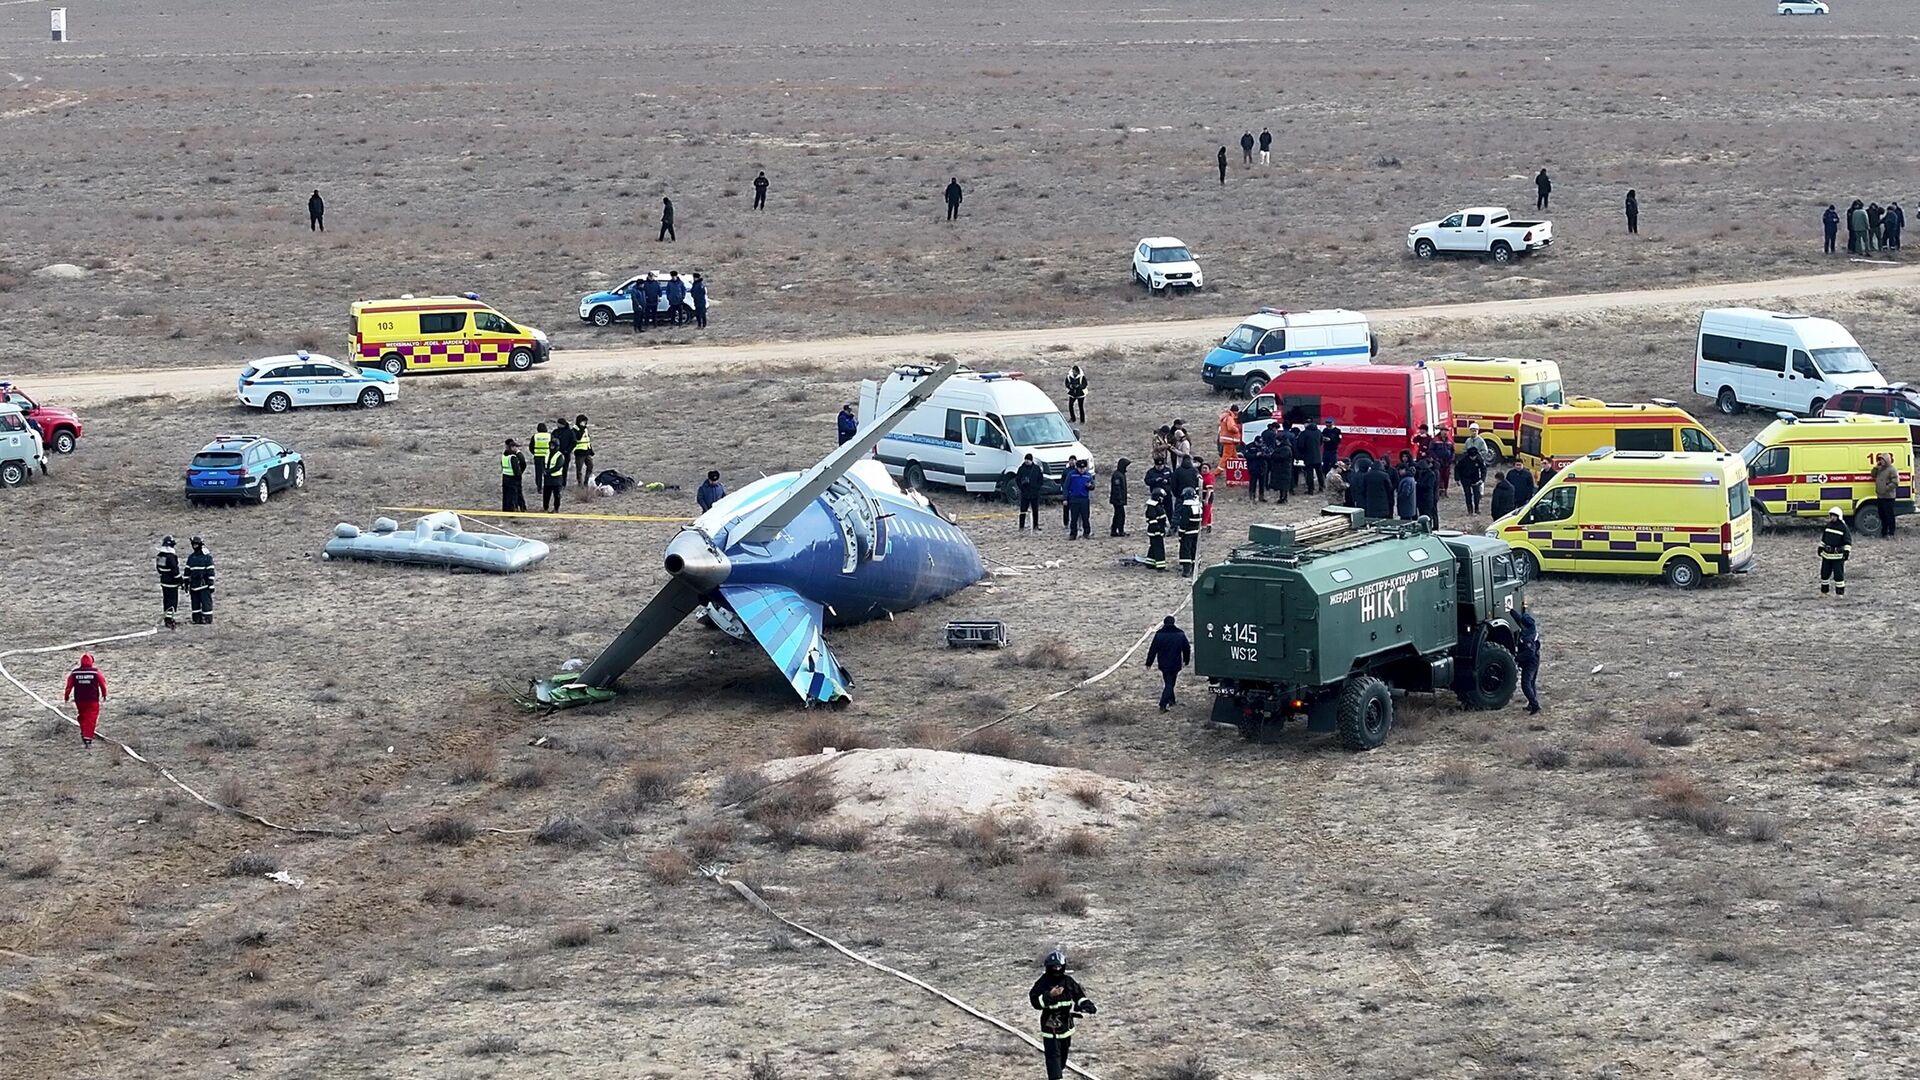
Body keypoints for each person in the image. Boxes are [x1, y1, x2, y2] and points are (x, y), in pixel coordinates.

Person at [1030, 950, 1097, 1080]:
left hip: (1066, 1026)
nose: (1057, 969)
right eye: (1054, 967)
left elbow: (1079, 995)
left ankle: (1058, 1073)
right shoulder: (1042, 983)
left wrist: (1086, 1004)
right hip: (1050, 1027)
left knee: (1063, 1056)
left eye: (1059, 967)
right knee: (1053, 1057)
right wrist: (1049, 995)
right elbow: (1035, 1001)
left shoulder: (1068, 981)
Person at [1145, 616, 1191, 712]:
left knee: (1168, 682)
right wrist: (1186, 660)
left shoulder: (1159, 635)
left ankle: (1171, 700)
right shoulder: (1180, 634)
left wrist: (1149, 662)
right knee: (1170, 683)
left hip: (1163, 663)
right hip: (1175, 663)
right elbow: (1186, 648)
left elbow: (1153, 649)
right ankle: (1163, 704)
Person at [64, 653, 108, 749]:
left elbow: (69, 686)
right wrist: (104, 694)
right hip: (92, 700)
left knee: (82, 716)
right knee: (91, 718)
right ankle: (87, 738)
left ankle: (84, 732)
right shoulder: (96, 672)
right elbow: (102, 684)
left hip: (79, 700)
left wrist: (66, 696)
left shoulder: (75, 673)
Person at [1819, 506, 1852, 595]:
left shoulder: (1843, 528)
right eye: (1831, 516)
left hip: (1838, 556)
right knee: (1824, 574)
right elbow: (1824, 538)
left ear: (1839, 516)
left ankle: (1840, 593)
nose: (1832, 517)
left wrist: (1846, 552)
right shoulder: (1828, 526)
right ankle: (1824, 592)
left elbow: (1847, 541)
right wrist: (1821, 547)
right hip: (1826, 555)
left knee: (1838, 575)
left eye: (1834, 516)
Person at [1515, 609, 1542, 715]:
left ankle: (1535, 705)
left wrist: (1517, 658)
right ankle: (1532, 704)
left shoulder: (1527, 638)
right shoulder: (1531, 629)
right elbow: (1518, 620)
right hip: (1536, 659)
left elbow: (1529, 652)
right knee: (1531, 682)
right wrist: (1511, 610)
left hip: (1530, 661)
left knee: (1525, 684)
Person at [155, 535, 184, 630]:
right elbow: (175, 571)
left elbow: (158, 569)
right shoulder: (171, 557)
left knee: (166, 601)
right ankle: (169, 620)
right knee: (172, 603)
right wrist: (180, 580)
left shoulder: (159, 556)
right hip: (172, 583)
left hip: (164, 581)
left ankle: (167, 618)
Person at [185, 536, 216, 625]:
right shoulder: (191, 557)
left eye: (196, 544)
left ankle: (207, 619)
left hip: (204, 585)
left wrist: (211, 584)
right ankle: (196, 619)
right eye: (193, 544)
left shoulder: (207, 557)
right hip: (194, 586)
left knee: (206, 603)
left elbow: (210, 571)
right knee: (195, 604)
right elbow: (187, 570)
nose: (194, 546)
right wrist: (186, 583)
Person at [1064, 459, 1094, 540]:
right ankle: (1073, 534)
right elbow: (1066, 487)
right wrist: (1065, 498)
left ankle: (1086, 532)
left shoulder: (1088, 475)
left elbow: (1093, 486)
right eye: (1080, 468)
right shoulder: (1071, 475)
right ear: (1077, 468)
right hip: (1074, 499)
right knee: (1074, 518)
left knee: (1085, 517)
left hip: (1084, 499)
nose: (1082, 470)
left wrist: (1090, 486)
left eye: (1083, 468)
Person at [1175, 486, 1202, 577]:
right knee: (1193, 549)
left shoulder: (1186, 507)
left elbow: (1184, 522)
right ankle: (1195, 566)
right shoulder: (1197, 505)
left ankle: (1187, 569)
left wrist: (1181, 533)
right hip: (1196, 531)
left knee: (1185, 550)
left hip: (1187, 532)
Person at [1871, 452, 1899, 537]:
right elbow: (1873, 475)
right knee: (1882, 515)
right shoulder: (1879, 469)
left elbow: (1895, 482)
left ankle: (1891, 532)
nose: (1881, 461)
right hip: (1880, 496)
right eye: (1880, 460)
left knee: (1889, 515)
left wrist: (1886, 488)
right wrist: (1876, 467)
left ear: (1886, 460)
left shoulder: (1892, 469)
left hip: (1888, 497)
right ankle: (1884, 532)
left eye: (1882, 459)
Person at [1016, 453, 1046, 531]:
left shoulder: (1036, 468)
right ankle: (1021, 526)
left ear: (1031, 460)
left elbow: (1040, 479)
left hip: (1034, 493)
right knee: (1023, 510)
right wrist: (1021, 487)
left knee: (1035, 510)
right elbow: (1017, 479)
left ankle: (1035, 525)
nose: (1026, 461)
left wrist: (1037, 487)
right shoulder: (1021, 469)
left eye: (1028, 460)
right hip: (1025, 493)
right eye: (1025, 460)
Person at [1143, 488, 1169, 570]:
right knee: (1159, 547)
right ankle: (1160, 566)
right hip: (1155, 531)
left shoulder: (1156, 505)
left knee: (1154, 546)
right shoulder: (1152, 507)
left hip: (1158, 530)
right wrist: (1157, 531)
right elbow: (1152, 520)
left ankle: (1149, 563)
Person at [1456, 447, 1486, 515]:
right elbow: (1457, 469)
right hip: (1465, 478)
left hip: (1475, 478)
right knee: (1468, 494)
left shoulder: (1479, 459)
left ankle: (1477, 508)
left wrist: (1482, 479)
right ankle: (1470, 510)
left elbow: (1483, 469)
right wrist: (1457, 479)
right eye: (1471, 457)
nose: (1473, 458)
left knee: (1477, 494)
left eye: (1474, 456)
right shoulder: (1463, 460)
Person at [501, 438, 528, 511]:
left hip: (505, 478)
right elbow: (518, 468)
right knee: (514, 495)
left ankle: (507, 509)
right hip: (513, 479)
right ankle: (516, 509)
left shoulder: (504, 456)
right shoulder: (513, 457)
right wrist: (519, 475)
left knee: (507, 495)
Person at [1243, 428, 1269, 502]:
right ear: (1255, 442)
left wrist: (1263, 455)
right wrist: (1256, 455)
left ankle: (1261, 496)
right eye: (1259, 443)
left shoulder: (1264, 446)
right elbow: (1247, 455)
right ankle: (1252, 496)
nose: (1260, 444)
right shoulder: (1249, 446)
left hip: (1262, 467)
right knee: (1253, 483)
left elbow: (1269, 455)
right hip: (1253, 467)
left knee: (1262, 483)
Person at [1108, 458, 1131, 537]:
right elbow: (1117, 489)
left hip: (1118, 499)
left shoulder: (1120, 474)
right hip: (1117, 500)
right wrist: (1120, 499)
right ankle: (1120, 531)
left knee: (1117, 515)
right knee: (1121, 515)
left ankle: (1114, 530)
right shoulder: (1118, 475)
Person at [542, 442, 568, 512]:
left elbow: (558, 466)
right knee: (546, 495)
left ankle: (556, 509)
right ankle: (545, 508)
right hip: (547, 478)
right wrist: (544, 470)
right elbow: (543, 463)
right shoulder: (547, 454)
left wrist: (548, 471)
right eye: (550, 445)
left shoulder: (560, 455)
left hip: (556, 478)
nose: (551, 447)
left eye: (553, 445)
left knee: (556, 495)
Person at [1299, 419, 1322, 494]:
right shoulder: (1318, 432)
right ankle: (1322, 487)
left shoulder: (1304, 433)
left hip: (1308, 456)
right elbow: (1321, 442)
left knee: (1309, 473)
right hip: (1318, 455)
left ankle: (1311, 489)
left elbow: (1301, 445)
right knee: (1319, 472)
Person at [569, 416, 594, 485]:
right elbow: (578, 437)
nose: (585, 423)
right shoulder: (574, 430)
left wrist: (590, 450)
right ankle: (580, 484)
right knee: (579, 469)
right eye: (584, 421)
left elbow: (587, 440)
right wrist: (582, 429)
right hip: (579, 452)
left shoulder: (585, 429)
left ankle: (586, 481)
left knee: (590, 466)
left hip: (587, 451)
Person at [1415, 458, 1439, 525]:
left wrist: (1418, 484)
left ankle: (1429, 528)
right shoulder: (1421, 474)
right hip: (1421, 498)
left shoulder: (1431, 474)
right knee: (1422, 515)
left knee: (1428, 515)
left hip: (1427, 498)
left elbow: (1429, 486)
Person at [1319, 419, 1342, 486]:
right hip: (1326, 450)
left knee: (1333, 465)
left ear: (1332, 423)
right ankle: (1326, 479)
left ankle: (1333, 480)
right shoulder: (1325, 430)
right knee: (1325, 466)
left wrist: (1331, 439)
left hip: (1333, 450)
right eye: (1326, 423)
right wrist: (1324, 439)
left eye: (1329, 423)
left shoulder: (1337, 431)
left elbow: (1339, 440)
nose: (1327, 425)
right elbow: (1322, 437)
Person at [1200, 463, 1216, 533]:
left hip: (1207, 497)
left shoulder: (1208, 477)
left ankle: (1204, 526)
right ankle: (1209, 526)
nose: (1204, 470)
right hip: (1203, 496)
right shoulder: (1202, 476)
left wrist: (1206, 499)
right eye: (1203, 468)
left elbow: (1209, 490)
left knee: (1206, 512)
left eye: (1206, 468)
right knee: (1208, 512)